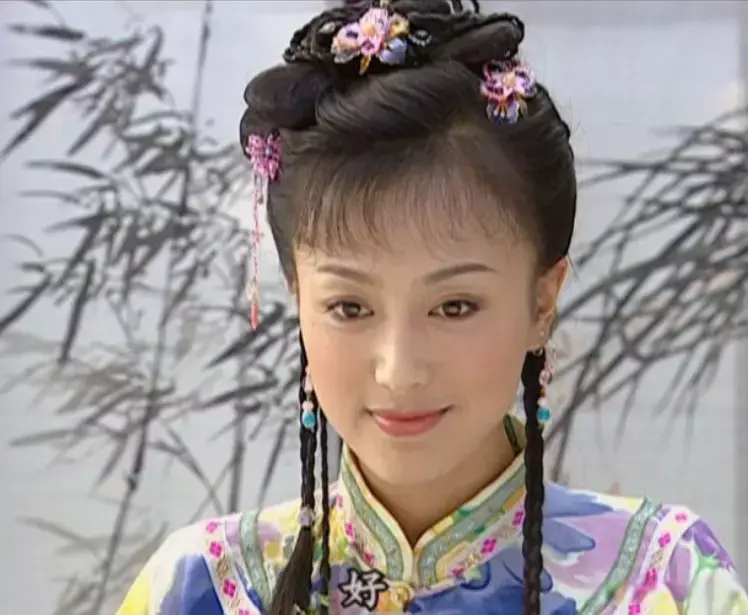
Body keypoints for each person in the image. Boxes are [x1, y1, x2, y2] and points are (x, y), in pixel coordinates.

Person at [116, 1, 748, 613]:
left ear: (541, 301)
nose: (399, 370)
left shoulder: (667, 582)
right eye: (349, 307)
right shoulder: (204, 588)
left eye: (454, 306)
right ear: (298, 297)